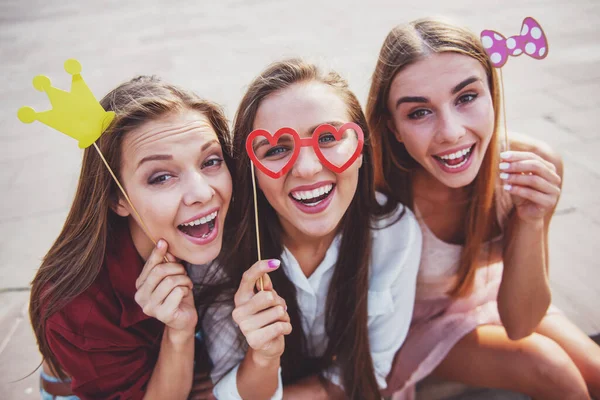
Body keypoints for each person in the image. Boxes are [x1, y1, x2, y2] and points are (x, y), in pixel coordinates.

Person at [366, 17, 600, 400]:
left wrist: (531, 220)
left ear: (493, 94)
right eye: (419, 112)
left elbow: (522, 321)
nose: (452, 131)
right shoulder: (376, 185)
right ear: (393, 127)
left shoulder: (532, 166)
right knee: (554, 372)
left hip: (488, 301)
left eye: (467, 97)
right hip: (407, 326)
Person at [203, 58, 421, 400]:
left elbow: (367, 374)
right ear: (253, 172)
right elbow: (229, 390)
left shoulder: (395, 234)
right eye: (276, 149)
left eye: (329, 137)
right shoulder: (221, 255)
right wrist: (262, 358)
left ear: (361, 150)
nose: (306, 168)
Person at [29, 75, 233, 399]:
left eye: (210, 161)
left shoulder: (230, 216)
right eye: (161, 177)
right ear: (117, 198)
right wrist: (178, 332)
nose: (202, 192)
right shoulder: (77, 308)